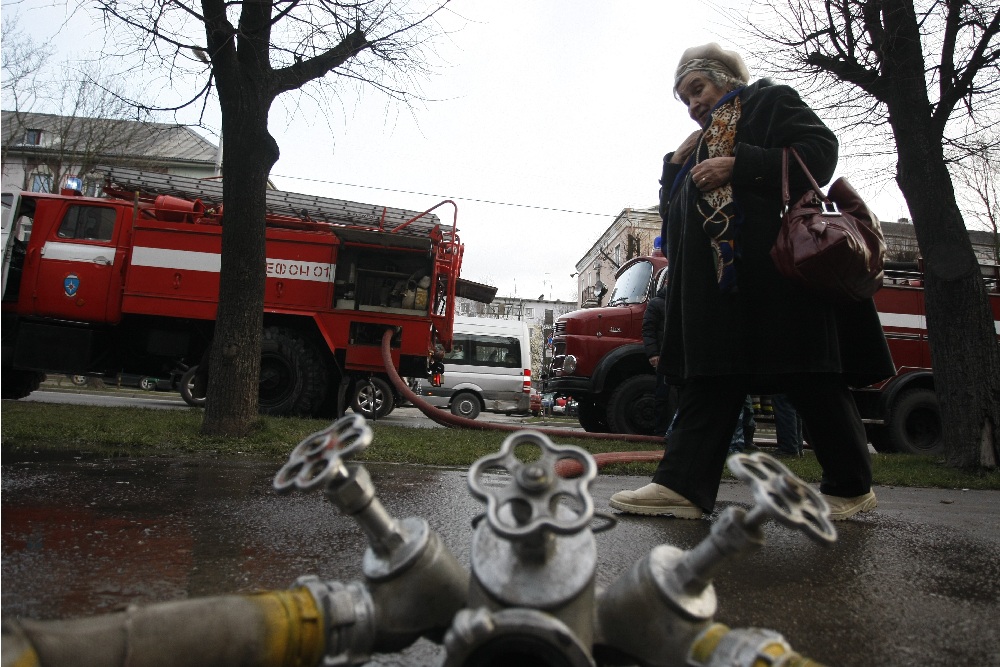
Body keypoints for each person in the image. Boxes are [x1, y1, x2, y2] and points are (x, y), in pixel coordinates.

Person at [609, 43, 894, 521]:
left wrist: (741, 164)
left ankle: (851, 487)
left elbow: (820, 152)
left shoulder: (768, 101)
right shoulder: (700, 141)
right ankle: (681, 487)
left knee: (810, 377)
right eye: (684, 99)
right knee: (710, 380)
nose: (693, 105)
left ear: (725, 78)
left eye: (697, 89)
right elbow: (677, 214)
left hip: (780, 282)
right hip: (722, 292)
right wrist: (674, 167)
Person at [642, 280, 672, 436]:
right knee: (663, 394)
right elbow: (648, 329)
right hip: (664, 356)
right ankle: (661, 430)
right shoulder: (656, 304)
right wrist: (654, 354)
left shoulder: (679, 301)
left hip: (677, 355)